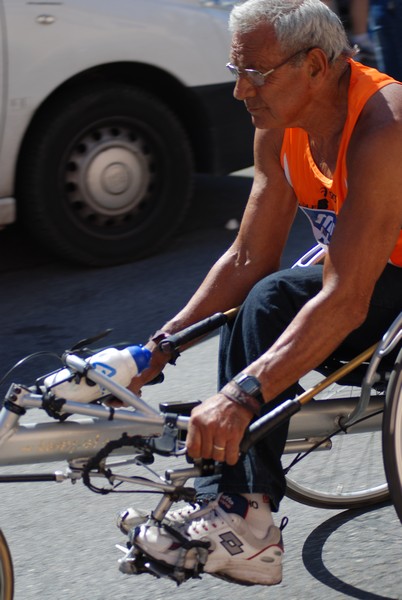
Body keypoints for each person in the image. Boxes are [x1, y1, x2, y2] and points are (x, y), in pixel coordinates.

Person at [119, 0, 402, 587]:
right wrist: (156, 350)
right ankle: (238, 508)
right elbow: (247, 256)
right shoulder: (278, 128)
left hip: (384, 294)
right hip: (372, 278)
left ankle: (242, 517)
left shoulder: (386, 128)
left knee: (273, 300)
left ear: (317, 67)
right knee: (263, 296)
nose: (239, 91)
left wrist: (242, 396)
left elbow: (347, 299)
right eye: (234, 71)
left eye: (256, 73)